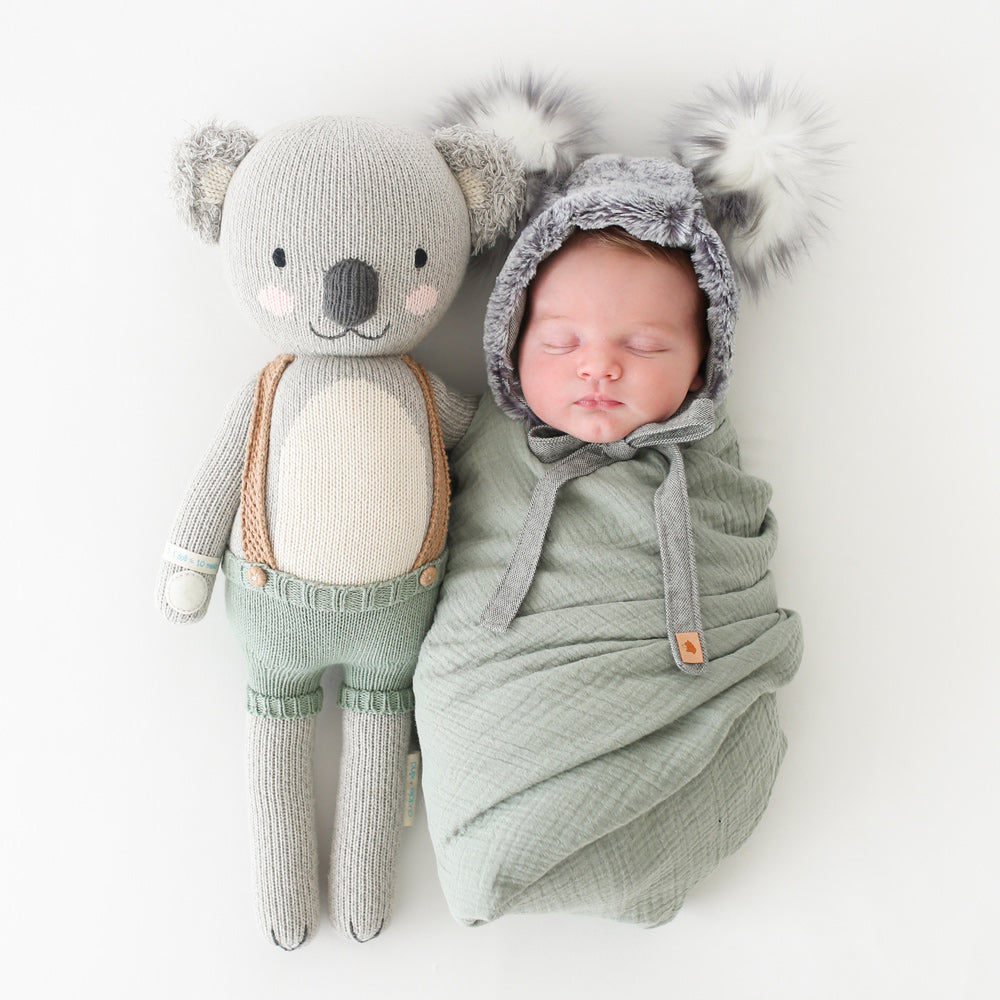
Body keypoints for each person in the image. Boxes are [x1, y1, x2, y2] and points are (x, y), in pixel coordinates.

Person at [412, 152, 806, 929]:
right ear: (511, 342)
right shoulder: (489, 441)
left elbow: (735, 560)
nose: (599, 366)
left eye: (647, 347)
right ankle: (494, 841)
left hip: (681, 696)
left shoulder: (705, 465)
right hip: (499, 690)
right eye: (560, 344)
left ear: (701, 367)